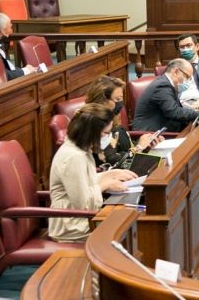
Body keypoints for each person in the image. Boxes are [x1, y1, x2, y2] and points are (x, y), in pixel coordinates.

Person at [49, 103, 138, 242]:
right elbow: (83, 205)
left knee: (130, 217)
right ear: (91, 132)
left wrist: (111, 174)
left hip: (79, 217)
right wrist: (105, 184)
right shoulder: (74, 157)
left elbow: (83, 181)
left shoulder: (80, 148)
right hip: (72, 223)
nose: (108, 137)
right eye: (105, 133)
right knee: (130, 225)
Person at [85, 76, 162, 170]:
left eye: (121, 99)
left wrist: (147, 145)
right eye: (117, 99)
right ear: (103, 101)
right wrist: (139, 147)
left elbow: (124, 146)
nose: (120, 104)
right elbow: (111, 161)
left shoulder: (112, 118)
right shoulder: (94, 124)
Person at [132, 58, 199, 132]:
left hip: (162, 128)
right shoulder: (162, 86)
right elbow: (173, 112)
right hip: (150, 135)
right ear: (176, 72)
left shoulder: (166, 83)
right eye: (187, 77)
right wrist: (198, 114)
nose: (188, 81)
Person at [0, 12, 36, 80]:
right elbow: (0, 75)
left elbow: (9, 67)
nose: (8, 36)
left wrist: (25, 70)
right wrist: (25, 71)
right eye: (6, 32)